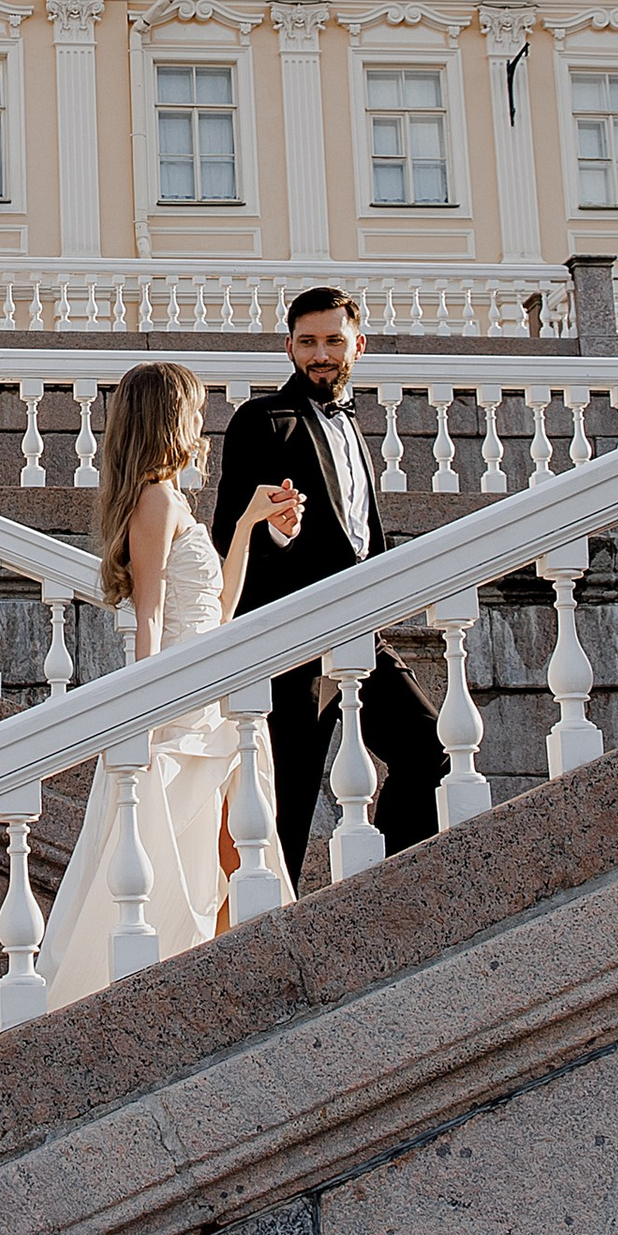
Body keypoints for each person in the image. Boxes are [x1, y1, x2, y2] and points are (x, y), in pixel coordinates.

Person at [35, 359, 303, 1009]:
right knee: (192, 869)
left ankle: (225, 994)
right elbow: (150, 614)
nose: (201, 422)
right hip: (182, 714)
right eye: (192, 409)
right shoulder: (154, 500)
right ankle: (206, 997)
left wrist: (244, 527)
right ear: (167, 419)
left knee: (234, 861)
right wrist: (147, 722)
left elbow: (219, 612)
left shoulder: (176, 499)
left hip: (210, 704)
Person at [208, 284, 446, 883]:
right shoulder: (261, 421)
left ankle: (385, 895)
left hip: (362, 634)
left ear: (357, 346)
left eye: (333, 341)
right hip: (290, 644)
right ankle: (265, 947)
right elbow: (227, 535)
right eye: (308, 342)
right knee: (283, 815)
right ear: (288, 347)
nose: (321, 354)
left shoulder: (354, 428)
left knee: (430, 752)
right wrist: (281, 534)